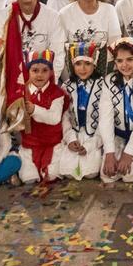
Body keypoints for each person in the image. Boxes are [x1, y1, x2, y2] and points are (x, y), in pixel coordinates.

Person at [99, 37, 133, 184]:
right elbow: (105, 117)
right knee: (107, 176)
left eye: (129, 59)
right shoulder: (109, 81)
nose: (124, 65)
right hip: (118, 135)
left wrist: (129, 153)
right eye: (119, 61)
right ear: (115, 62)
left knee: (129, 174)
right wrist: (109, 152)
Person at [56, 41, 106, 181]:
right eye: (78, 64)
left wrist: (93, 143)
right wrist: (70, 138)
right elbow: (64, 116)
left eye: (87, 64)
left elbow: (105, 119)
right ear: (72, 65)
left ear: (94, 64)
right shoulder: (67, 86)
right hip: (75, 133)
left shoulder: (103, 86)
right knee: (67, 171)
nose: (82, 69)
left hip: (94, 135)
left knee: (91, 173)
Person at [17, 49, 67, 183]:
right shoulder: (21, 92)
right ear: (28, 71)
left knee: (51, 175)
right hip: (30, 144)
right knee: (29, 178)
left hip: (52, 143)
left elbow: (54, 118)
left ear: (51, 72)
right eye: (35, 70)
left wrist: (34, 110)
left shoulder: (57, 93)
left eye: (45, 70)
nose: (40, 75)